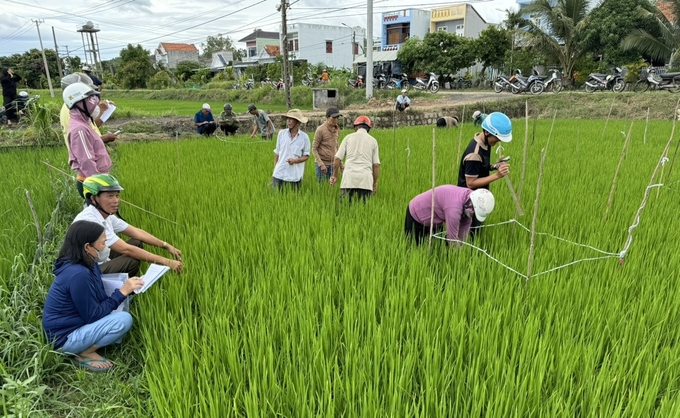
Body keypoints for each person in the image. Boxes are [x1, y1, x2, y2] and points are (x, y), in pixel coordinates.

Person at [42, 220, 144, 372]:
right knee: (124, 319)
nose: (106, 247)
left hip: (76, 322)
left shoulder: (88, 263)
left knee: (126, 302)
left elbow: (97, 296)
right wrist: (122, 292)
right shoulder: (78, 274)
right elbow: (93, 315)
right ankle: (84, 352)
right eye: (102, 244)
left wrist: (123, 294)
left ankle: (86, 345)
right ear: (87, 247)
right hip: (63, 338)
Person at [73, 174, 183, 276]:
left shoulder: (106, 215)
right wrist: (166, 261)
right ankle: (120, 291)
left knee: (136, 242)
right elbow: (126, 249)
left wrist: (166, 245)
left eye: (117, 196)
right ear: (93, 198)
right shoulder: (91, 221)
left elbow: (136, 232)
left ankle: (123, 283)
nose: (116, 200)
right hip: (86, 272)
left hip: (99, 259)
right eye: (110, 196)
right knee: (132, 260)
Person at [457, 111, 512, 236]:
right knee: (469, 232)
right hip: (469, 200)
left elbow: (480, 168)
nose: (497, 142)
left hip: (478, 197)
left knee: (476, 230)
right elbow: (470, 183)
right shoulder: (474, 154)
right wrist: (497, 175)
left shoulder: (486, 144)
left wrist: (494, 166)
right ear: (487, 132)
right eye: (496, 138)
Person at [63, 82, 112, 197]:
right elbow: (86, 160)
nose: (94, 103)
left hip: (96, 180)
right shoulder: (79, 129)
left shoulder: (84, 123)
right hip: (92, 183)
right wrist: (99, 187)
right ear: (80, 103)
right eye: (89, 99)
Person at [405, 186, 495, 246]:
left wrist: (461, 245)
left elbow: (465, 224)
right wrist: (456, 254)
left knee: (436, 247)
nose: (473, 215)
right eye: (474, 212)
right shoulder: (454, 208)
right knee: (414, 248)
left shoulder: (470, 199)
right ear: (472, 204)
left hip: (436, 218)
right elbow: (451, 239)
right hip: (417, 213)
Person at [60, 73, 117, 152]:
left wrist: (103, 111)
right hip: (88, 156)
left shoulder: (76, 108)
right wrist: (106, 138)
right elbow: (84, 141)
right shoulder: (71, 111)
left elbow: (91, 126)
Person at [330, 116, 380, 202]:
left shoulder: (348, 138)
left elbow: (337, 159)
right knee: (364, 210)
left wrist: (335, 175)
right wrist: (374, 184)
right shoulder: (373, 141)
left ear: (355, 127)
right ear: (368, 128)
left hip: (349, 178)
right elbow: (376, 165)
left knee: (345, 208)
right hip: (365, 180)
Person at [272, 109, 311, 190]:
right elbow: (277, 152)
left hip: (294, 175)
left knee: (293, 200)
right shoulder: (281, 134)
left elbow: (306, 156)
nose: (288, 121)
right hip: (279, 174)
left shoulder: (304, 137)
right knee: (276, 199)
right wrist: (275, 169)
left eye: (291, 119)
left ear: (298, 122)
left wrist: (295, 161)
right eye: (287, 119)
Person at [312, 106, 341, 182]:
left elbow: (336, 146)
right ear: (327, 117)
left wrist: (341, 164)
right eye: (334, 117)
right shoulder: (320, 130)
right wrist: (321, 164)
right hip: (322, 165)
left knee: (332, 188)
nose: (336, 120)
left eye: (337, 117)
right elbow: (314, 148)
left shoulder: (337, 129)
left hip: (333, 165)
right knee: (322, 189)